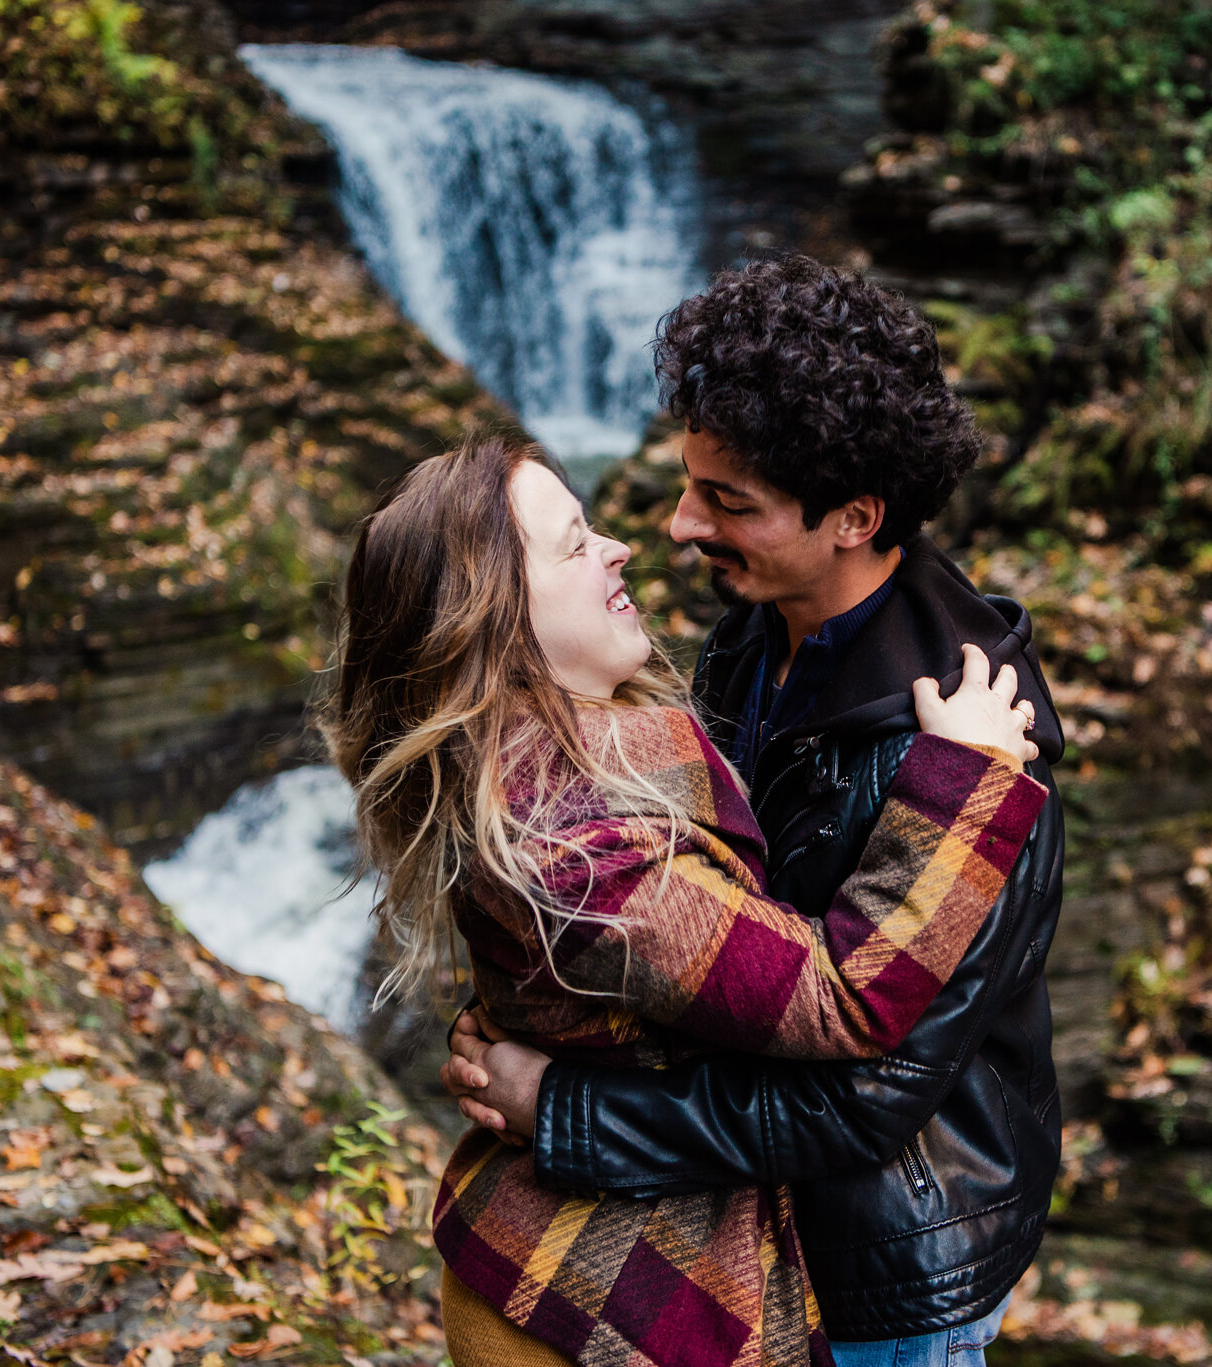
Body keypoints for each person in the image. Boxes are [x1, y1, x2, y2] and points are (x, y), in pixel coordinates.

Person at [444, 255, 1068, 1367]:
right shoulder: (747, 634)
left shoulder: (979, 751)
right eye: (691, 483)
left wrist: (563, 1108)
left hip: (882, 1266)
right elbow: (682, 906)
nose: (679, 525)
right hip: (749, 1236)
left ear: (852, 517)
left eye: (726, 502)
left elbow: (865, 1102)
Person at [320, 433, 1049, 1367]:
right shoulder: (577, 845)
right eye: (575, 544)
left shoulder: (582, 761)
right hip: (596, 1303)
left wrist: (554, 1080)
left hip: (575, 1268)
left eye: (726, 498)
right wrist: (963, 776)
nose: (628, 543)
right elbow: (842, 998)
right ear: (493, 622)